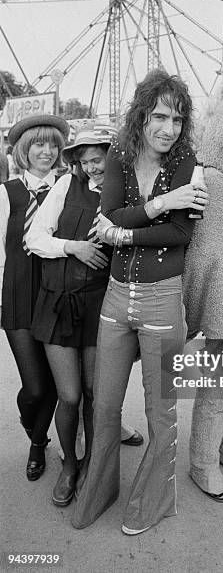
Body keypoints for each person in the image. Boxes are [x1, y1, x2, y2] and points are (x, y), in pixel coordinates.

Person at [72, 70, 208, 535]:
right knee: (105, 405)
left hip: (162, 302)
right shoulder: (119, 154)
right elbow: (108, 213)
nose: (169, 128)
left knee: (161, 410)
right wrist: (160, 202)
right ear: (142, 115)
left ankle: (152, 501)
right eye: (160, 116)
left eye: (177, 118)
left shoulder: (189, 160)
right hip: (114, 301)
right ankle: (99, 490)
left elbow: (181, 233)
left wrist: (123, 234)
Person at [27, 122, 140, 506]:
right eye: (86, 160)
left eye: (99, 158)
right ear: (76, 161)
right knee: (70, 395)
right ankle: (70, 465)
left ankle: (93, 464)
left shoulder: (124, 195)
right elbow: (34, 238)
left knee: (95, 394)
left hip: (99, 307)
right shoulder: (64, 186)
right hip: (58, 303)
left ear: (113, 157)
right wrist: (73, 247)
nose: (93, 166)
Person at [0, 114, 69, 481]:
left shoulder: (69, 186)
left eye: (53, 144)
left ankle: (37, 443)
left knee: (58, 383)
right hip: (17, 295)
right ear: (24, 151)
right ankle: (31, 419)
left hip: (57, 297)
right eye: (38, 144)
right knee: (34, 386)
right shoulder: (7, 192)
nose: (46, 151)